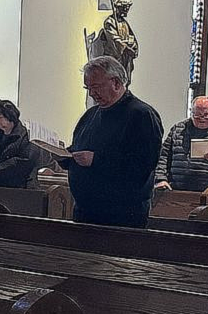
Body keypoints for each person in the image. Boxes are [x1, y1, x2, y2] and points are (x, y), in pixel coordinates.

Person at [64, 56, 163, 227]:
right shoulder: (90, 115)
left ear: (116, 83)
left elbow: (142, 164)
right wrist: (66, 157)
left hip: (121, 215)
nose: (91, 93)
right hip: (85, 212)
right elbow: (81, 149)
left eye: (95, 87)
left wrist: (96, 160)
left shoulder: (141, 115)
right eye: (88, 88)